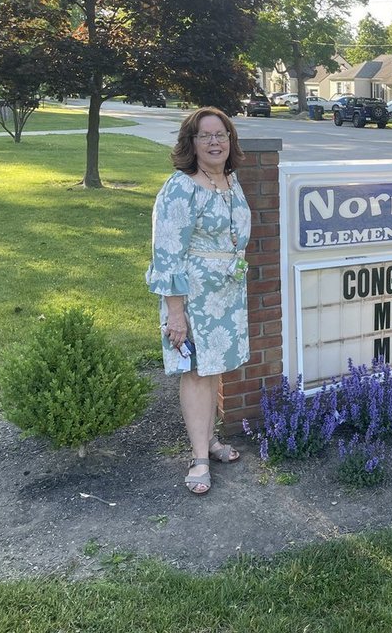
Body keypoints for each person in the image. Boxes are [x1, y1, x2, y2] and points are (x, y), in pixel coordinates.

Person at [146, 107, 252, 495]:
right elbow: (167, 253)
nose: (214, 142)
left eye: (221, 134)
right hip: (191, 297)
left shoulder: (229, 180)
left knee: (213, 368)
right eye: (205, 135)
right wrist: (176, 313)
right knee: (195, 371)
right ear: (191, 142)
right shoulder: (181, 187)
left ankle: (210, 441)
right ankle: (199, 459)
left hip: (225, 294)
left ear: (230, 139)